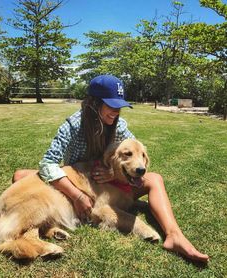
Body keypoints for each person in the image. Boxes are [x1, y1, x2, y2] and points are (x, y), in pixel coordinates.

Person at [13, 74, 209, 263]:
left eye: (120, 106)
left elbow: (134, 153)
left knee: (155, 179)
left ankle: (174, 235)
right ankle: (47, 225)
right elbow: (48, 163)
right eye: (112, 105)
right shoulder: (72, 125)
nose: (116, 111)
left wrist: (113, 171)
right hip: (79, 178)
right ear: (94, 103)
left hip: (108, 182)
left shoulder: (120, 125)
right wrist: (77, 195)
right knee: (21, 175)